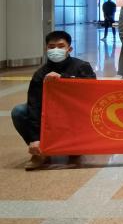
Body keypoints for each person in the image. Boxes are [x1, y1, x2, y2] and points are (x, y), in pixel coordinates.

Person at [11, 31, 96, 170]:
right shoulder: (40, 73)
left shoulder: (81, 66)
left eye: (61, 46)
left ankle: (75, 148)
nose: (56, 50)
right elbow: (34, 105)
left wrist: (64, 79)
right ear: (46, 49)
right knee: (19, 111)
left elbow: (91, 89)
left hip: (75, 113)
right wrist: (35, 138)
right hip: (50, 113)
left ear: (69, 49)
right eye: (51, 47)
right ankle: (40, 151)